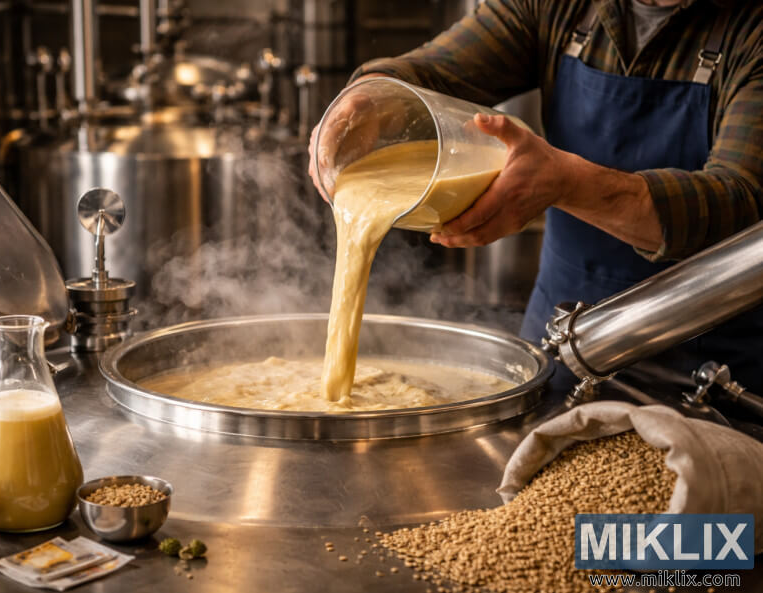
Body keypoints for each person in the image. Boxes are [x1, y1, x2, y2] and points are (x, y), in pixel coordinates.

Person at [310, 0, 763, 392]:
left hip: (706, 375)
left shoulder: (751, 27)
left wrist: (567, 182)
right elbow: (432, 73)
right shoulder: (558, 6)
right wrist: (369, 100)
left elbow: (740, 203)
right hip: (563, 350)